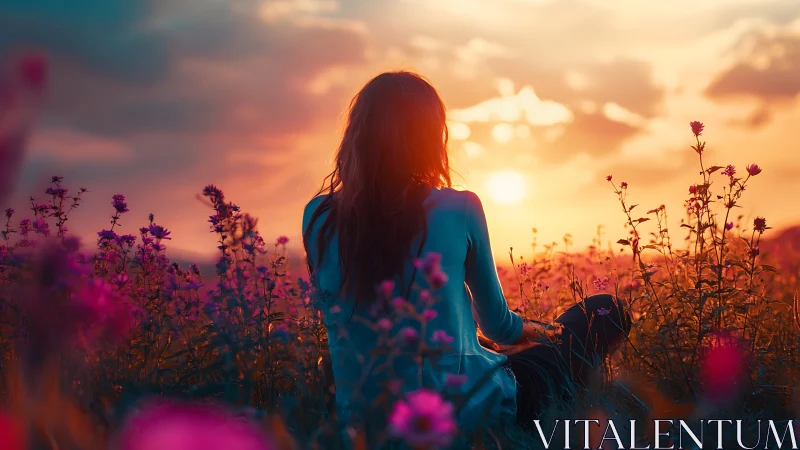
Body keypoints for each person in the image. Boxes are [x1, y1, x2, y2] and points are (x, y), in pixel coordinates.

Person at [302, 71, 631, 435]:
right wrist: (541, 331)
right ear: (429, 137)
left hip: (366, 425)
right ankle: (570, 411)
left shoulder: (316, 217)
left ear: (356, 136)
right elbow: (499, 326)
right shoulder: (458, 207)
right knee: (607, 310)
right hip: (463, 415)